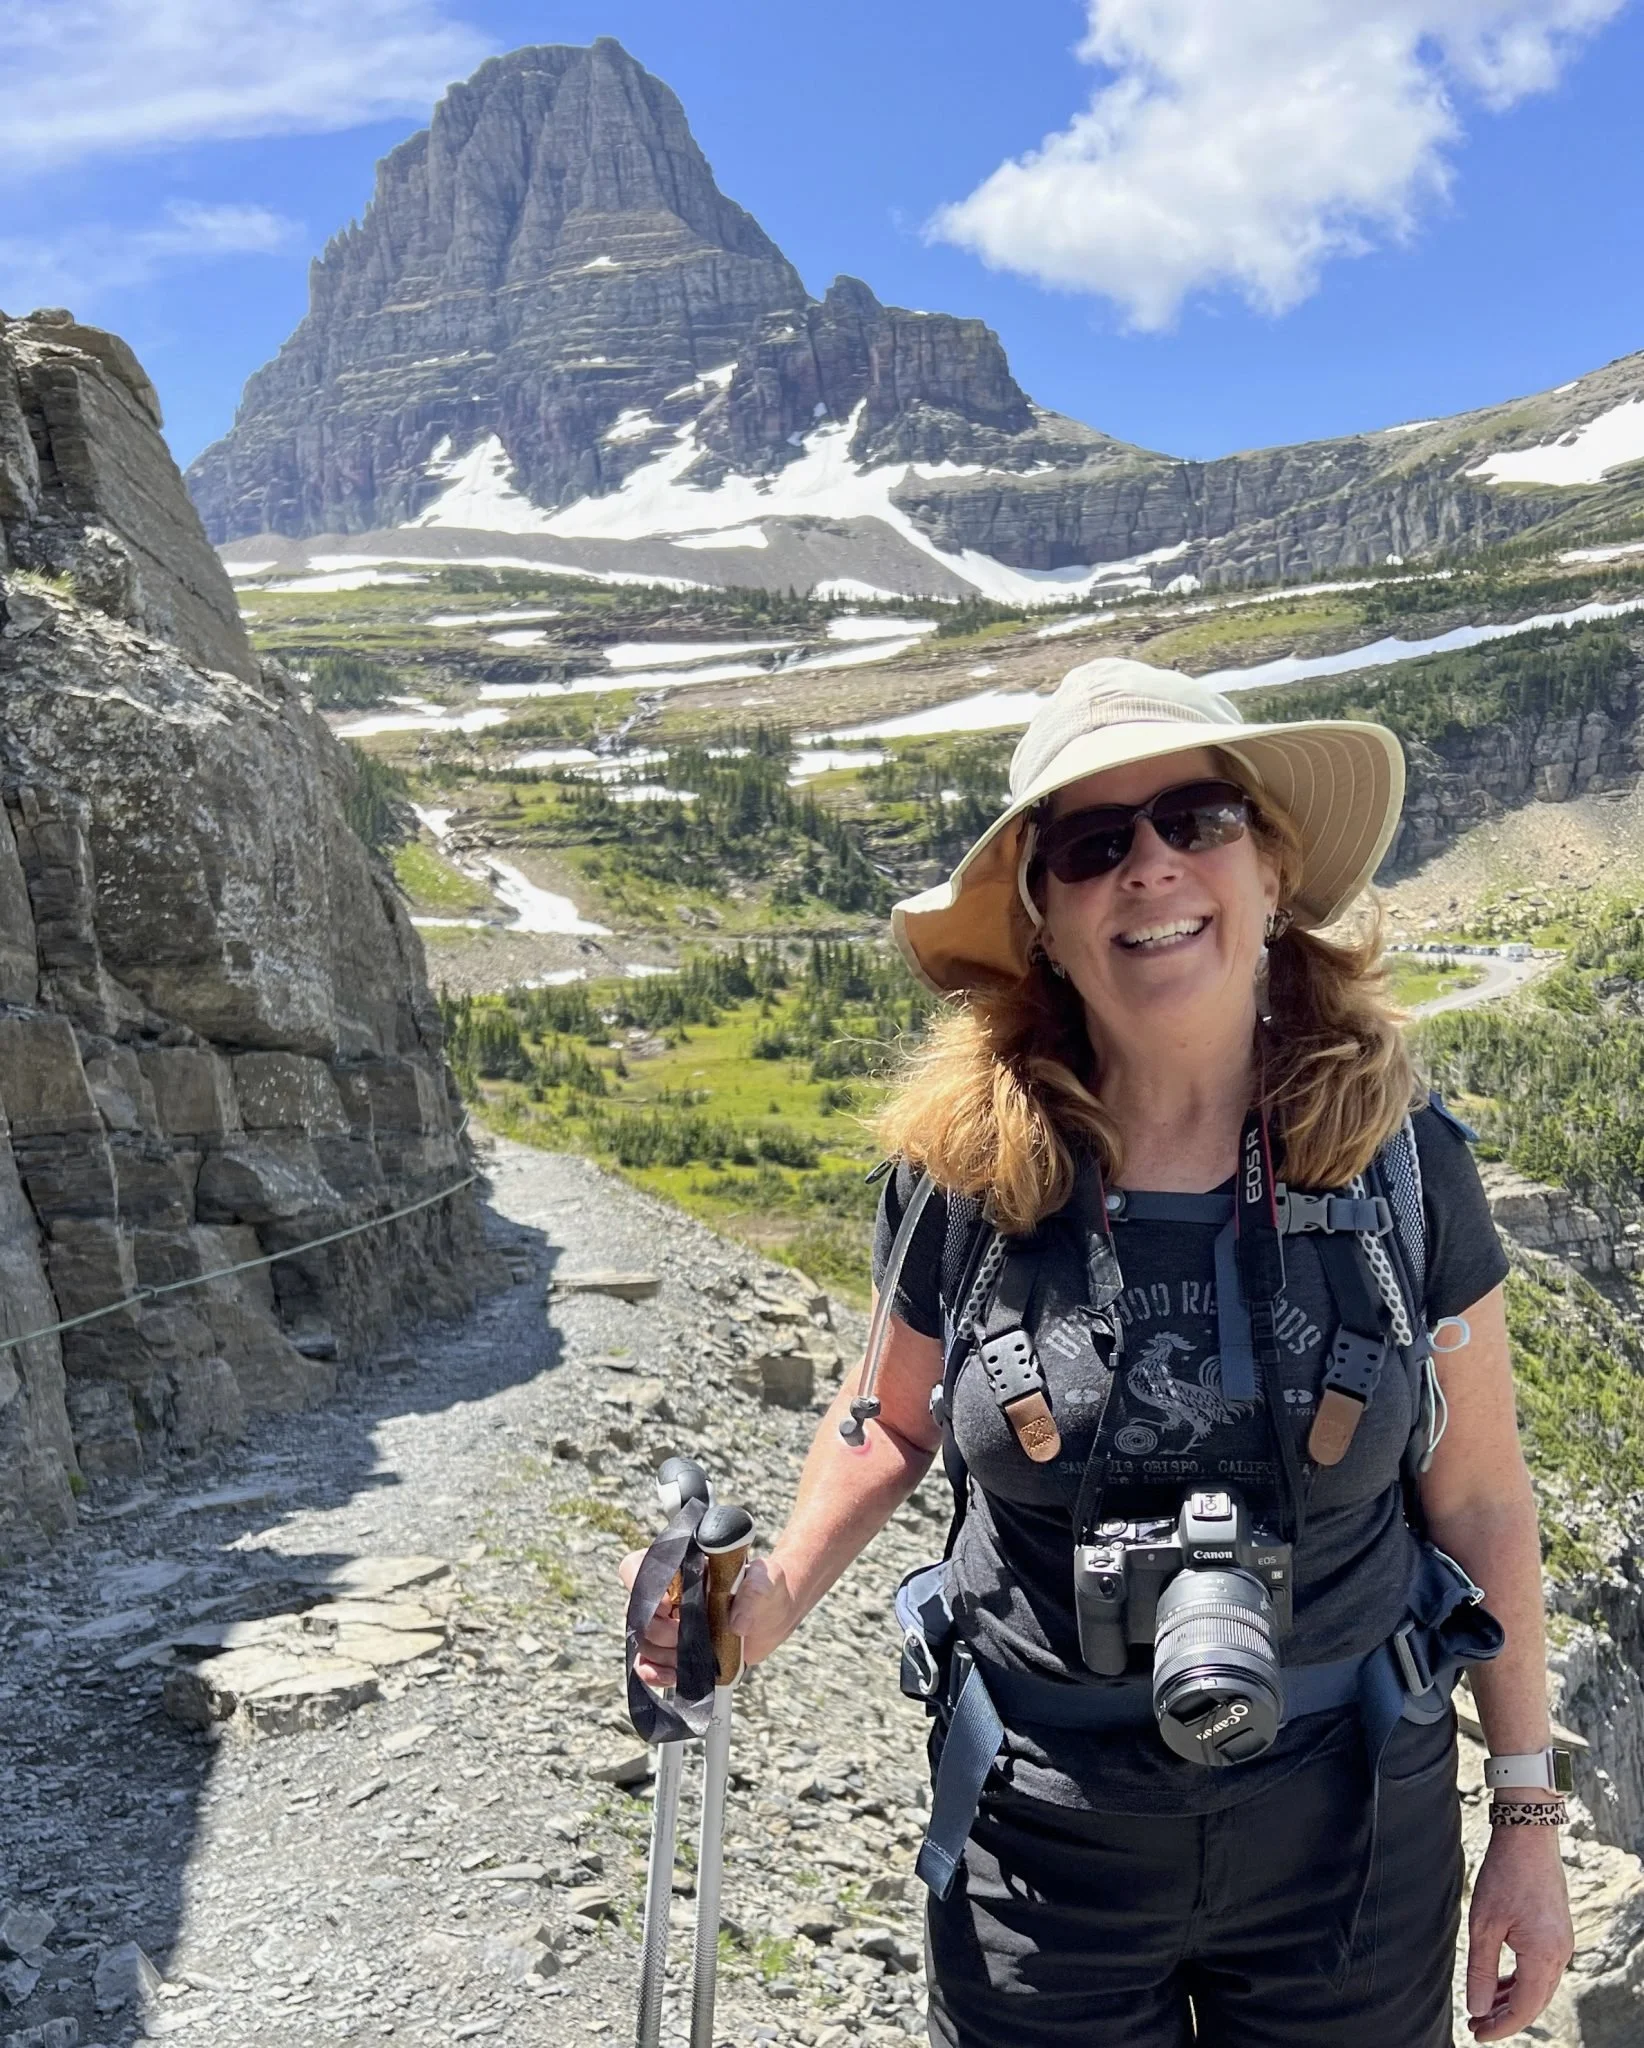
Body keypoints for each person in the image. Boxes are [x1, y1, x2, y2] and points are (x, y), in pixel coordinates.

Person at [624, 658, 1574, 2047]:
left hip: (1356, 1828)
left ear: (1269, 872)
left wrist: (1530, 1822)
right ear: (1047, 922)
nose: (1151, 867)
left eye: (1197, 820)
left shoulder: (1402, 1163)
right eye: (1091, 845)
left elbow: (1482, 1496)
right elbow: (891, 1422)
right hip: (1040, 1837)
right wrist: (753, 1605)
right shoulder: (964, 1173)